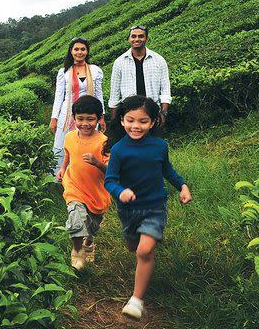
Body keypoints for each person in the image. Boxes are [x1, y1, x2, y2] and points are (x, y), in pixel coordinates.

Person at [103, 95, 192, 321]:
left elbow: (167, 170)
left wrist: (182, 186)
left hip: (154, 207)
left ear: (153, 122)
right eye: (131, 120)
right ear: (122, 121)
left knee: (144, 251)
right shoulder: (119, 150)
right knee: (134, 247)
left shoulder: (160, 146)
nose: (136, 126)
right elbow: (110, 180)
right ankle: (142, 258)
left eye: (143, 121)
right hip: (129, 211)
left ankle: (136, 301)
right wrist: (120, 191)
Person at [56, 95, 110, 271]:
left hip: (96, 192)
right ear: (74, 118)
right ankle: (78, 251)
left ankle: (88, 244)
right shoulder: (70, 137)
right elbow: (69, 154)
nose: (85, 123)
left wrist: (97, 163)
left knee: (91, 227)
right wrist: (64, 169)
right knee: (77, 219)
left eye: (90, 119)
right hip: (74, 187)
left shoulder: (104, 142)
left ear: (99, 119)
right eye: (80, 119)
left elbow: (111, 171)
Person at [49, 37, 105, 175]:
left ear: (87, 51)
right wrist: (54, 118)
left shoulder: (95, 70)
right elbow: (58, 96)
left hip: (90, 115)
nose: (79, 52)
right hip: (67, 115)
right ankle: (60, 177)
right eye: (76, 49)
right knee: (63, 145)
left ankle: (84, 175)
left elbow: (99, 95)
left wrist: (102, 116)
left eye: (83, 49)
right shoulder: (64, 72)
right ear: (71, 51)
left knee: (87, 144)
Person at [108, 25, 171, 126]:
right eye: (133, 36)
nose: (137, 39)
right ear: (129, 39)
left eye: (141, 36)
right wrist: (114, 120)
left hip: (152, 111)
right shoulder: (119, 62)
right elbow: (114, 93)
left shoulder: (159, 60)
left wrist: (163, 113)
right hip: (129, 113)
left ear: (147, 39)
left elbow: (165, 88)